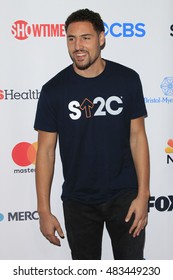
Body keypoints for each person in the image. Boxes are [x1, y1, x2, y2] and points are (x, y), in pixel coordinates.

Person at [34, 8, 150, 260]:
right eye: (71, 38)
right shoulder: (53, 90)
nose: (78, 46)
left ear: (101, 38)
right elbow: (45, 152)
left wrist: (143, 195)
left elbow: (138, 138)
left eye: (86, 37)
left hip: (125, 197)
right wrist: (44, 210)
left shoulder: (128, 79)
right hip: (79, 201)